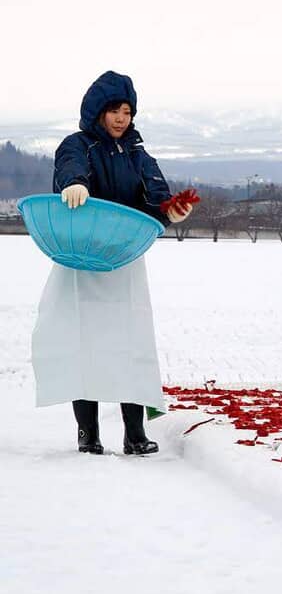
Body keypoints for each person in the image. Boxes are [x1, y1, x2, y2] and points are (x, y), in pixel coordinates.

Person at [34, 71, 193, 454]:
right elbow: (70, 167)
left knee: (130, 344)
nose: (122, 118)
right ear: (98, 112)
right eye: (114, 110)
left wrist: (171, 211)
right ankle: (88, 434)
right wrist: (74, 183)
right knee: (81, 343)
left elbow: (155, 196)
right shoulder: (78, 145)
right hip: (81, 260)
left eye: (127, 111)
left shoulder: (138, 154)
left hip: (124, 259)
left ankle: (135, 434)